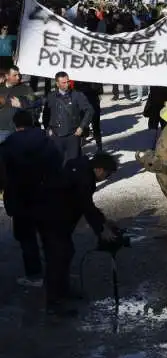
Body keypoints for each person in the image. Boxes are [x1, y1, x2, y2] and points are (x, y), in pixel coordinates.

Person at [47, 152, 119, 315]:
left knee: (65, 252)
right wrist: (101, 230)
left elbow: (86, 204)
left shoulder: (82, 168)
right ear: (100, 169)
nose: (106, 177)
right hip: (52, 217)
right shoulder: (85, 178)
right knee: (58, 257)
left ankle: (62, 291)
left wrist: (103, 222)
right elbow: (86, 207)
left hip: (58, 216)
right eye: (107, 174)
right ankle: (54, 303)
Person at [0, 111, 62, 289]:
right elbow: (57, 164)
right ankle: (55, 271)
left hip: (20, 198)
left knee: (27, 239)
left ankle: (34, 275)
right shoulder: (45, 141)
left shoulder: (9, 144)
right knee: (48, 235)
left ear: (15, 124)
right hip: (45, 195)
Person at [42, 72, 94, 164]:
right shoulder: (51, 96)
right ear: (57, 83)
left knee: (73, 164)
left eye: (68, 81)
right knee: (57, 164)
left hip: (72, 136)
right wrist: (48, 129)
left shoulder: (77, 95)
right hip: (56, 136)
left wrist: (82, 126)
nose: (67, 84)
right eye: (63, 82)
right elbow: (46, 114)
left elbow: (89, 110)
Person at [0, 65, 37, 145]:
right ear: (7, 76)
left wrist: (21, 105)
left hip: (18, 130)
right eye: (15, 75)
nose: (18, 77)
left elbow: (34, 104)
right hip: (1, 130)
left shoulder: (25, 89)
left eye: (18, 75)